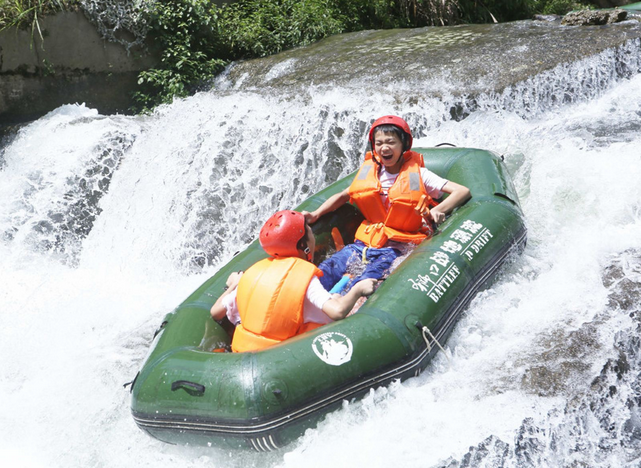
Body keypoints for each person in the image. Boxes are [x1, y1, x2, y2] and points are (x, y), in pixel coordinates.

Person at [303, 115, 471, 292]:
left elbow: (462, 191)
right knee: (323, 273)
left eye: (391, 142)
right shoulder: (372, 172)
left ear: (404, 145)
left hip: (397, 248)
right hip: (363, 244)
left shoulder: (419, 174)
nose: (384, 148)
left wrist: (438, 210)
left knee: (364, 285)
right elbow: (344, 195)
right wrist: (316, 214)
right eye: (379, 143)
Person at [210, 210, 376, 353]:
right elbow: (338, 312)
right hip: (283, 355)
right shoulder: (305, 280)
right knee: (340, 299)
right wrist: (359, 289)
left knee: (333, 296)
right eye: (310, 233)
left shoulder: (252, 274)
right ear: (303, 245)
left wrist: (234, 284)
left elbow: (215, 312)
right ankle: (350, 282)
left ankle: (344, 282)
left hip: (242, 351)